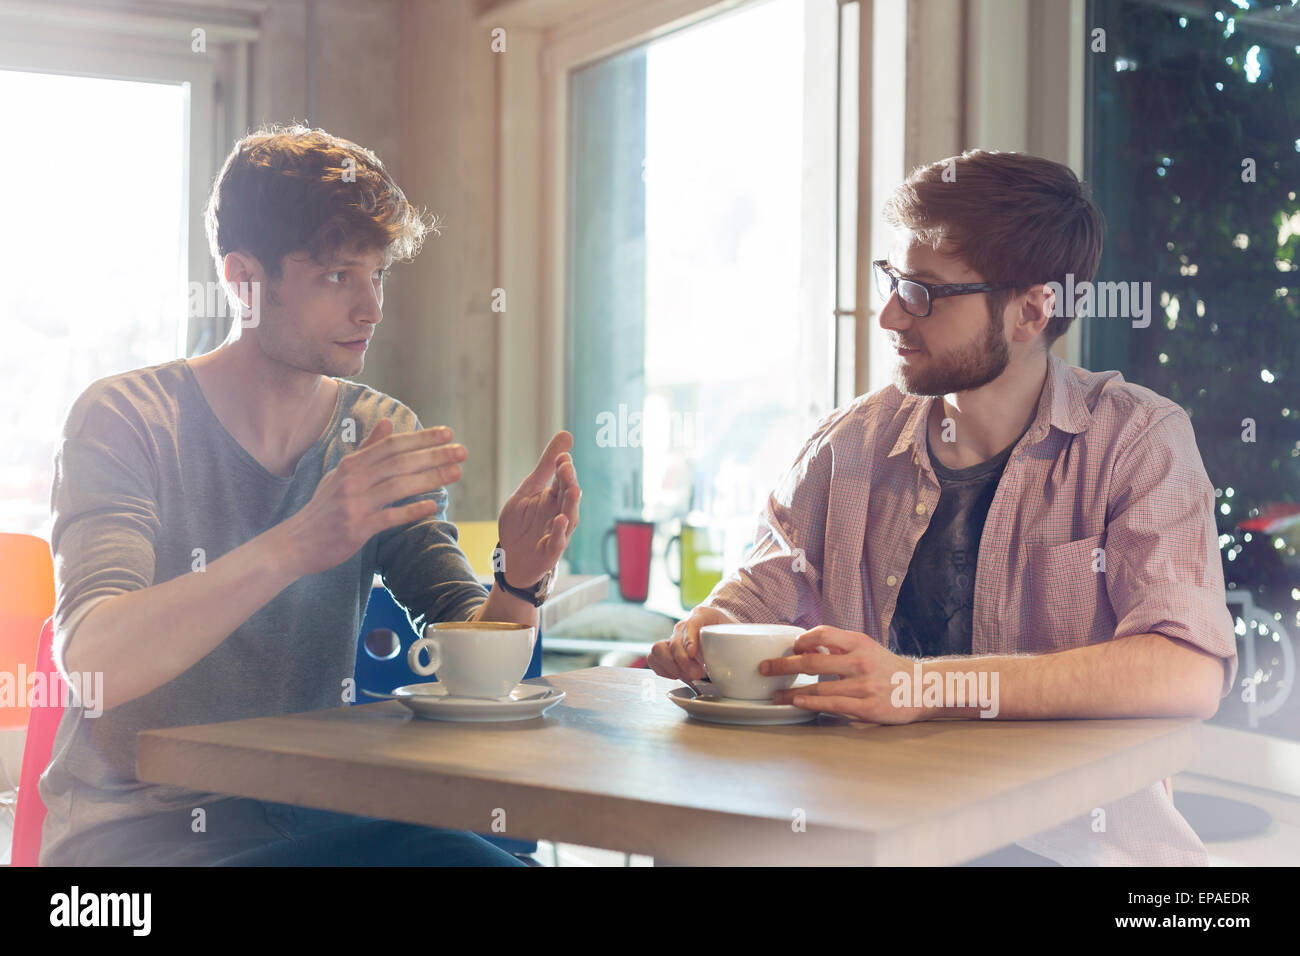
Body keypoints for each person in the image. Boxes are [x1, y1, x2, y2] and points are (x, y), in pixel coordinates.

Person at [648, 149, 1236, 866]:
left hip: (1069, 851)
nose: (891, 313)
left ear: (1029, 309)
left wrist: (924, 685)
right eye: (893, 280)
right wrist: (709, 629)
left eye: (925, 292)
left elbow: (1187, 669)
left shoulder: (1137, 440)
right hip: (870, 835)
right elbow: (758, 595)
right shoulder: (849, 447)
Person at [39, 124, 580, 866]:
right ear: (242, 280)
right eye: (337, 276)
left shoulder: (379, 429)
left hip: (320, 818)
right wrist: (298, 543)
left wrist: (518, 576)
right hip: (141, 841)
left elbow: (480, 673)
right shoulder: (127, 419)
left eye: (378, 275)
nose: (372, 309)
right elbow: (95, 660)